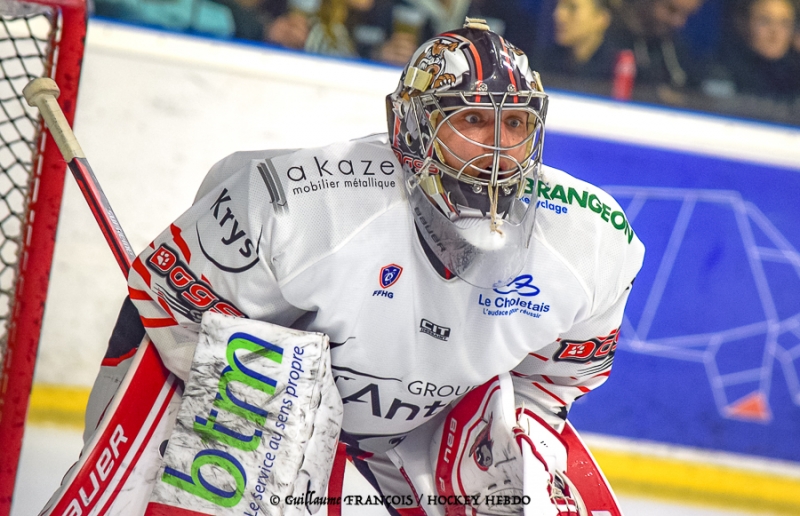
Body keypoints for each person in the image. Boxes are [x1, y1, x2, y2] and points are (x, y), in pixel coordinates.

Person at [88, 18, 644, 515]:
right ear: (411, 127)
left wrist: (501, 434)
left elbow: (559, 376)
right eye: (473, 119)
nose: (499, 148)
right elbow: (168, 290)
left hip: (427, 426)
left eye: (517, 123)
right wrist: (294, 407)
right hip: (258, 398)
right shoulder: (304, 203)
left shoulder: (591, 238)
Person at [608, 0, 707, 100]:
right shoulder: (609, 36)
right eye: (671, 9)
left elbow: (696, 91)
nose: (678, 23)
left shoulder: (674, 46)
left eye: (687, 15)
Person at [717, 0, 800, 102]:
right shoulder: (719, 72)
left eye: (785, 23)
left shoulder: (794, 75)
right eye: (765, 21)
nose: (775, 33)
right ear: (742, 23)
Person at [537, 0, 620, 82]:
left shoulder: (618, 68)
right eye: (558, 6)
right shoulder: (546, 60)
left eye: (572, 8)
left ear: (602, 18)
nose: (559, 16)